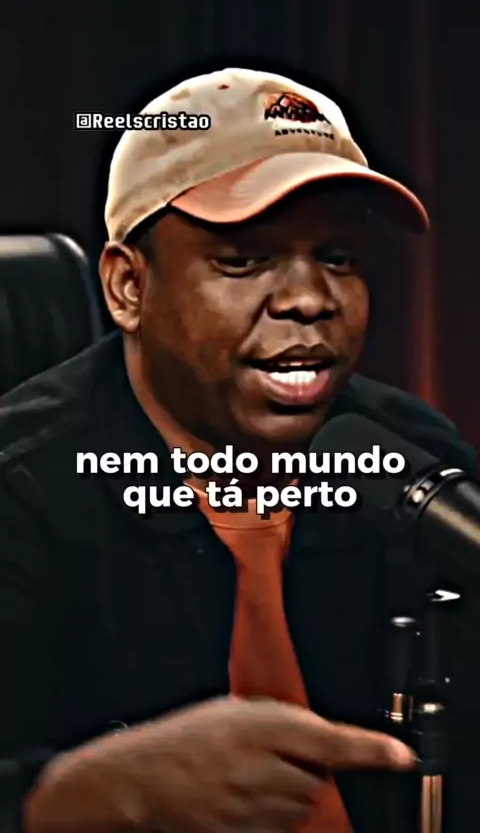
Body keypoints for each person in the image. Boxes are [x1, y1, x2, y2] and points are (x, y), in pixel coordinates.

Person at [0, 67, 477, 833]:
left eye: (339, 257)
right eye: (244, 259)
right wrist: (73, 799)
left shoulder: (415, 459)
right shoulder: (22, 491)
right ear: (128, 288)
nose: (309, 299)